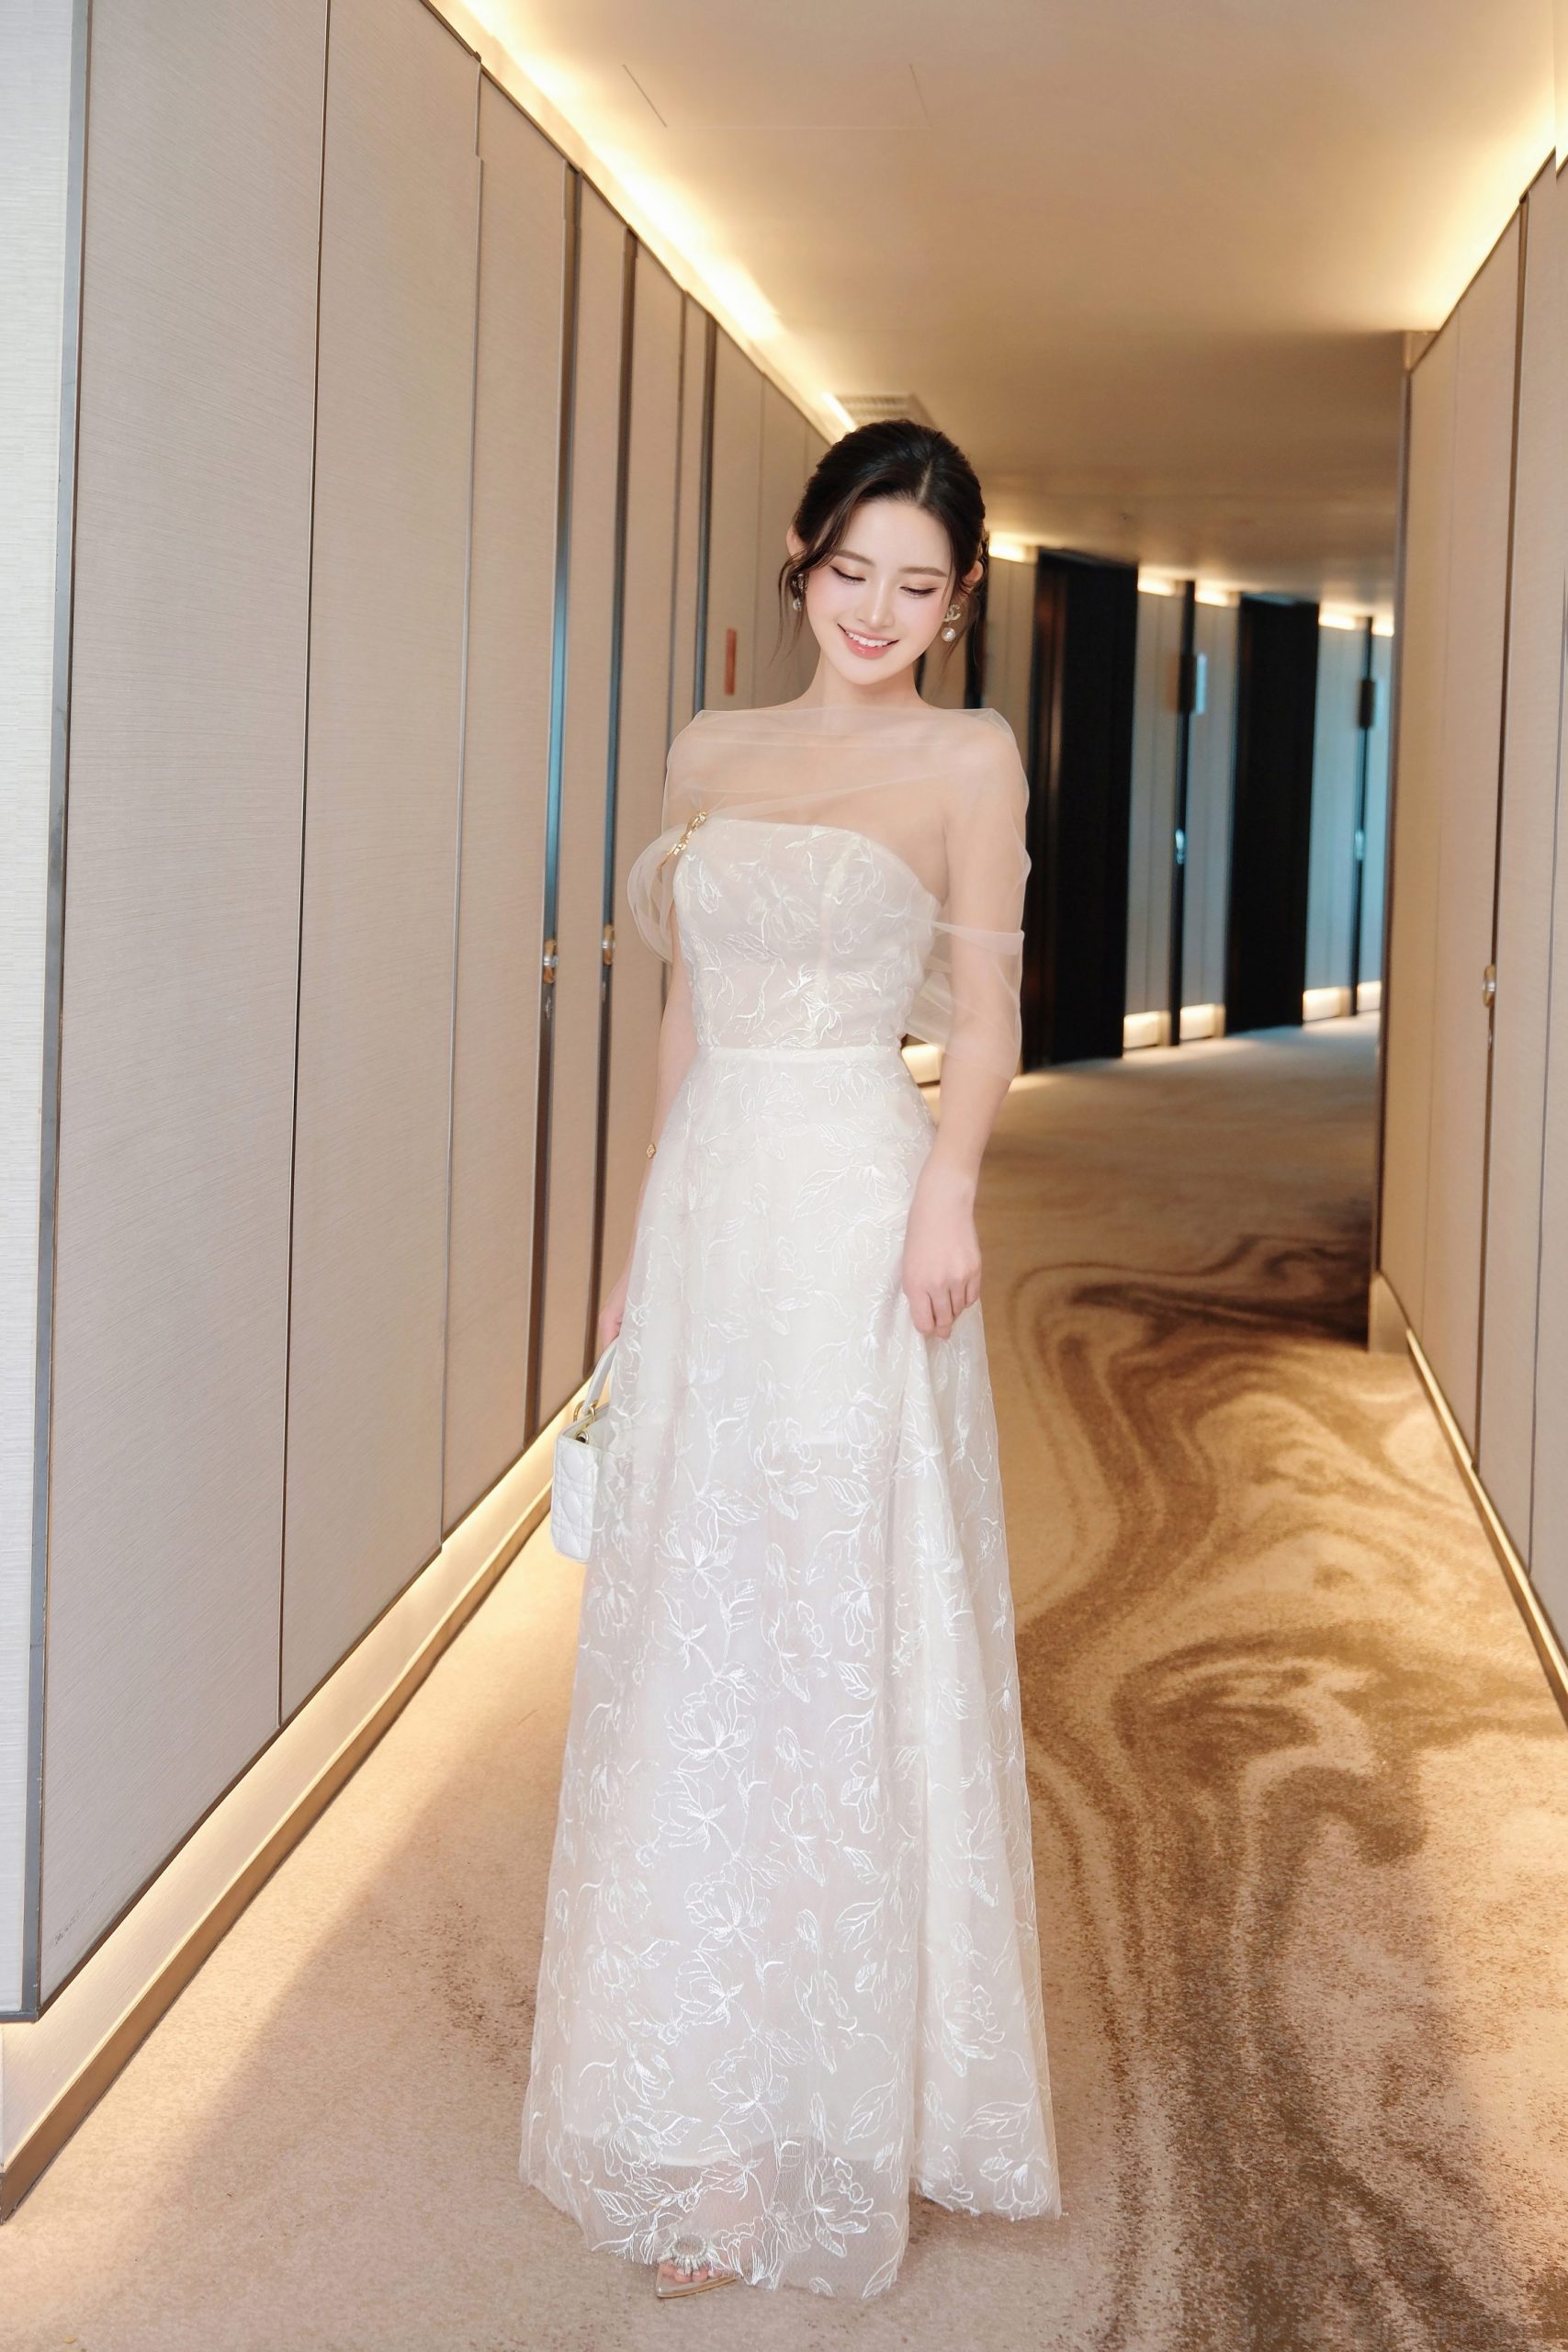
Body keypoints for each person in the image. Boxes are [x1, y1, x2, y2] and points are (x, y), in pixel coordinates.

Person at [519, 419, 1063, 2301]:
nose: (877, 613)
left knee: (838, 1627)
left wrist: (949, 1195)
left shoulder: (967, 758)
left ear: (958, 600)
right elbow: (683, 1014)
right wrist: (634, 1251)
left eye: (918, 587)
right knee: (701, 1628)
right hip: (715, 1209)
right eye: (852, 572)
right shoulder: (709, 751)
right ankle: (706, 2118)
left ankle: (832, 2104)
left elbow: (985, 1008)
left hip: (857, 1204)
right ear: (801, 554)